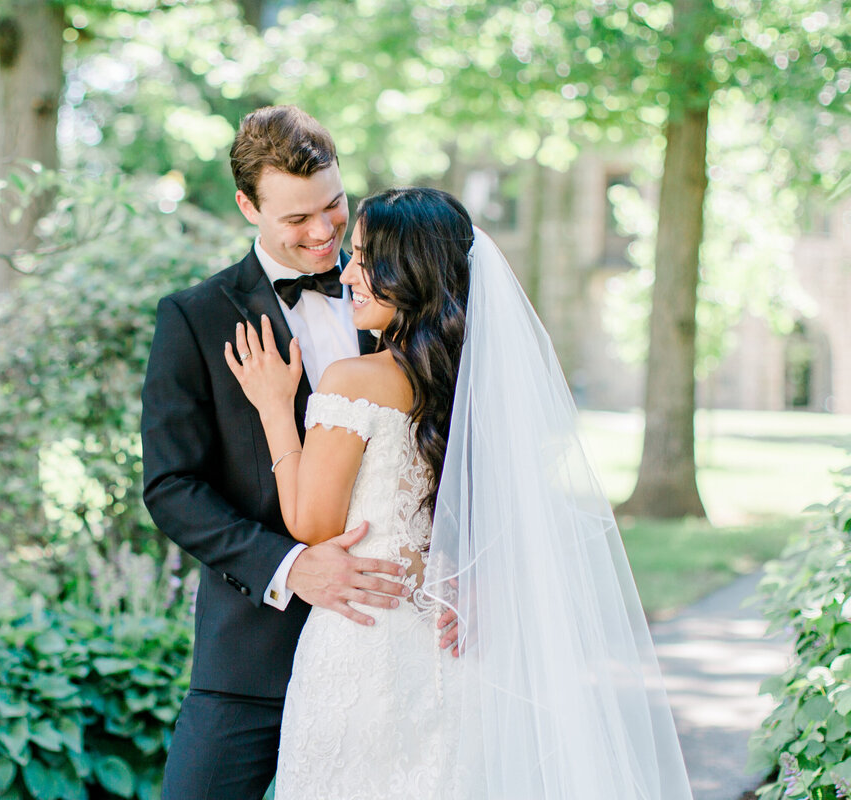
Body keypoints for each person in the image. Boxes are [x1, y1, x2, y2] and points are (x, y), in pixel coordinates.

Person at [226, 187, 694, 799]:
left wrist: (272, 408)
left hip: (365, 649)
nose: (349, 271)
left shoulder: (354, 382)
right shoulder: (475, 390)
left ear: (414, 271)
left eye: (369, 259)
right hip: (455, 648)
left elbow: (314, 525)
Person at [141, 107, 456, 800]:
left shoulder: (395, 290)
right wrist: (290, 566)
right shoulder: (194, 318)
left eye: (334, 207)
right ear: (248, 206)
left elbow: (449, 455)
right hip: (251, 653)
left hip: (391, 649)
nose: (323, 234)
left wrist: (462, 566)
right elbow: (171, 486)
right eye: (295, 220)